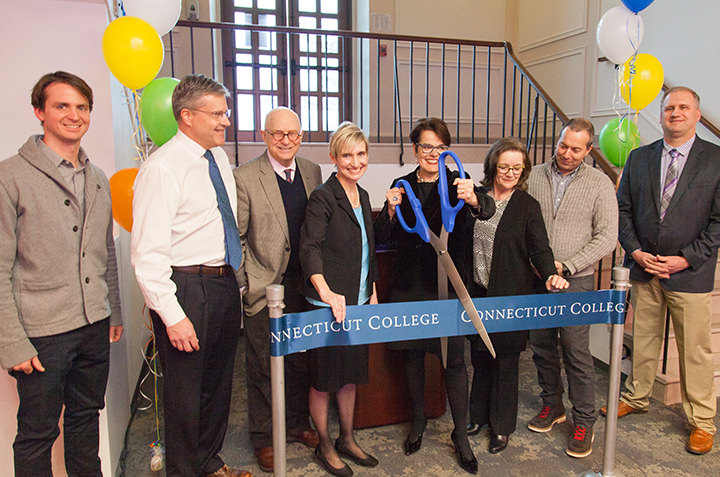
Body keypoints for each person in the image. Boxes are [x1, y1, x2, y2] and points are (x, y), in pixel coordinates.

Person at [0, 71, 123, 476]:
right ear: (39, 112)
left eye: (82, 107)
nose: (74, 115)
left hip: (93, 323)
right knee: (37, 434)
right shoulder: (10, 176)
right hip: (40, 331)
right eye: (62, 106)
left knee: (86, 418)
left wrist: (115, 311)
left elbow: (105, 249)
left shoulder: (99, 178)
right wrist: (12, 342)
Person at [131, 74, 251, 477]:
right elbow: (147, 255)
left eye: (226, 112)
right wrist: (172, 315)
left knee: (218, 386)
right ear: (186, 116)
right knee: (184, 394)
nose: (225, 121)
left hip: (221, 282)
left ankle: (208, 462)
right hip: (185, 289)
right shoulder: (161, 169)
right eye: (217, 114)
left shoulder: (216, 158)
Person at [374, 117, 494, 474]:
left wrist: (474, 199)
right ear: (415, 150)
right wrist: (392, 210)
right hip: (410, 284)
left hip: (448, 284)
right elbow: (384, 236)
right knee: (412, 356)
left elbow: (484, 210)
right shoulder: (401, 184)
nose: (433, 153)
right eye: (426, 146)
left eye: (440, 147)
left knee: (455, 361)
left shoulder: (458, 183)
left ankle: (461, 434)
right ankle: (418, 421)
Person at [607, 86, 720, 455]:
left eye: (683, 107)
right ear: (661, 115)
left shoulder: (716, 160)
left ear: (697, 115)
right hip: (645, 267)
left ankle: (702, 420)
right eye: (669, 107)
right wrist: (636, 252)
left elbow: (718, 222)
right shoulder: (639, 158)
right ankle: (636, 396)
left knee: (695, 350)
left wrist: (687, 257)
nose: (675, 112)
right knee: (643, 338)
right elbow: (622, 211)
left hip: (690, 271)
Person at [467, 137, 568, 454]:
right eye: (504, 167)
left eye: (517, 168)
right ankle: (478, 417)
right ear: (492, 167)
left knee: (506, 362)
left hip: (510, 297)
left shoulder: (527, 207)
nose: (510, 173)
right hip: (477, 293)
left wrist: (551, 272)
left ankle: (501, 427)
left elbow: (540, 249)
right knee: (480, 358)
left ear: (523, 171)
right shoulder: (476, 199)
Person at [234, 107, 321, 472]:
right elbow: (235, 238)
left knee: (301, 362)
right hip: (264, 287)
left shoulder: (313, 171)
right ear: (264, 135)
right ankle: (264, 438)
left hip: (304, 286)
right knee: (263, 367)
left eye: (294, 134)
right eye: (278, 134)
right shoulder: (244, 176)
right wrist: (245, 284)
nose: (287, 141)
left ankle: (298, 422)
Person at [526, 118, 618, 458]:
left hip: (575, 280)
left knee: (577, 353)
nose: (567, 153)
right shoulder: (533, 175)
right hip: (535, 278)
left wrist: (568, 265)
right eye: (563, 145)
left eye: (576, 149)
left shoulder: (600, 184)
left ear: (588, 150)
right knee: (541, 346)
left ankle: (584, 420)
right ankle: (552, 405)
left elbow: (607, 236)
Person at [299, 122, 379, 476]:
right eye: (347, 155)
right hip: (327, 306)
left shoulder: (362, 195)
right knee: (323, 380)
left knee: (349, 377)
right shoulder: (323, 196)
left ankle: (347, 438)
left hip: (357, 304)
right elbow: (309, 248)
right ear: (334, 157)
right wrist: (326, 291)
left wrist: (372, 291)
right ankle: (325, 446)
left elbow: (367, 252)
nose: (355, 161)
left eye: (360, 154)